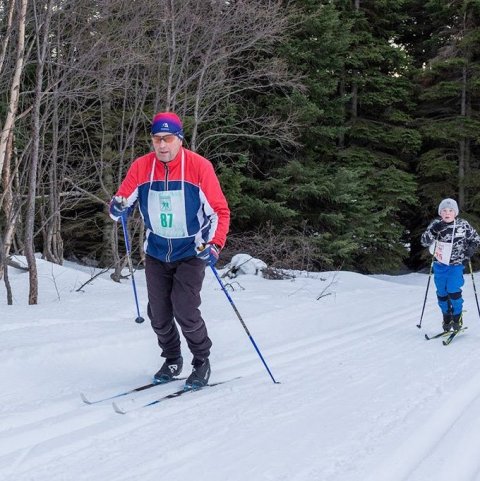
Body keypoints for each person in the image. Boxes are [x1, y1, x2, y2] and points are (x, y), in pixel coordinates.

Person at [109, 112, 230, 388]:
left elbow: (220, 212)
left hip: (191, 250)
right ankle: (173, 359)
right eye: (157, 139)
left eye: (168, 139)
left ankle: (201, 360)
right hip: (156, 251)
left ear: (180, 139)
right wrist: (116, 207)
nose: (162, 145)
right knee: (159, 313)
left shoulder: (199, 167)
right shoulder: (142, 167)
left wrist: (214, 245)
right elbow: (120, 205)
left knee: (185, 309)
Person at [421, 198, 480, 332]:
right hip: (439, 264)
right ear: (440, 213)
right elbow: (424, 241)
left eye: (451, 210)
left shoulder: (463, 225)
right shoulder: (436, 224)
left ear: (456, 213)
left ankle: (457, 315)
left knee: (453, 291)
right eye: (444, 210)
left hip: (456, 264)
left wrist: (471, 247)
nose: (447, 213)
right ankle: (446, 315)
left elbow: (475, 238)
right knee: (442, 293)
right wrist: (433, 231)